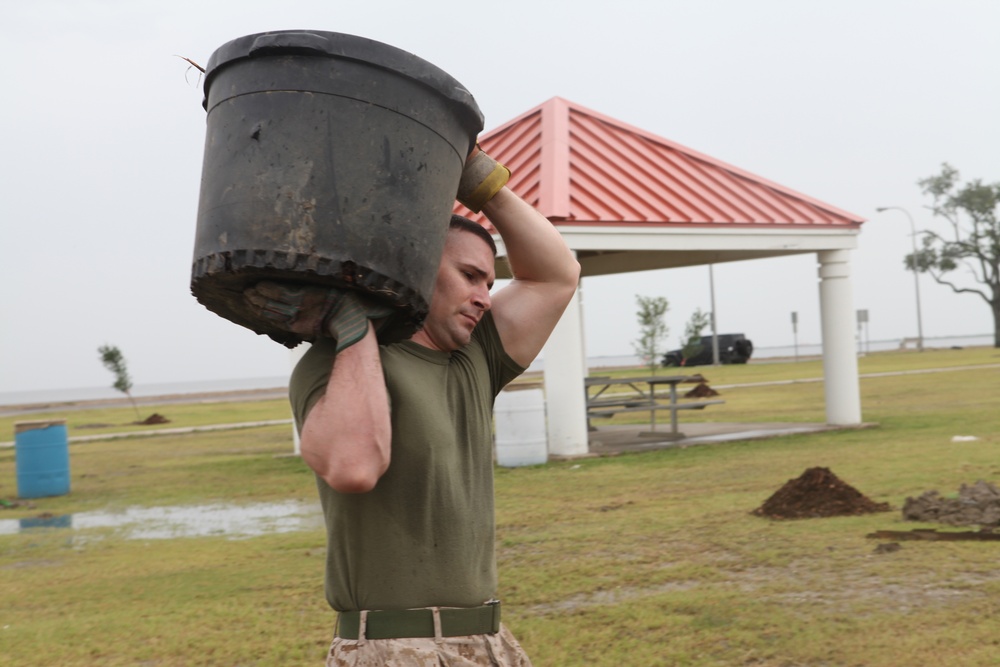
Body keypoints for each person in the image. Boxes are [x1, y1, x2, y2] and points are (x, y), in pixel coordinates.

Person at [244, 146, 581, 666]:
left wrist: (481, 184)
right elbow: (354, 467)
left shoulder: (476, 358)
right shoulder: (331, 364)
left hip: (487, 641)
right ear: (417, 267)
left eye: (490, 283)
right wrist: (353, 326)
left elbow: (556, 276)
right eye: (470, 276)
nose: (485, 297)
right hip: (392, 648)